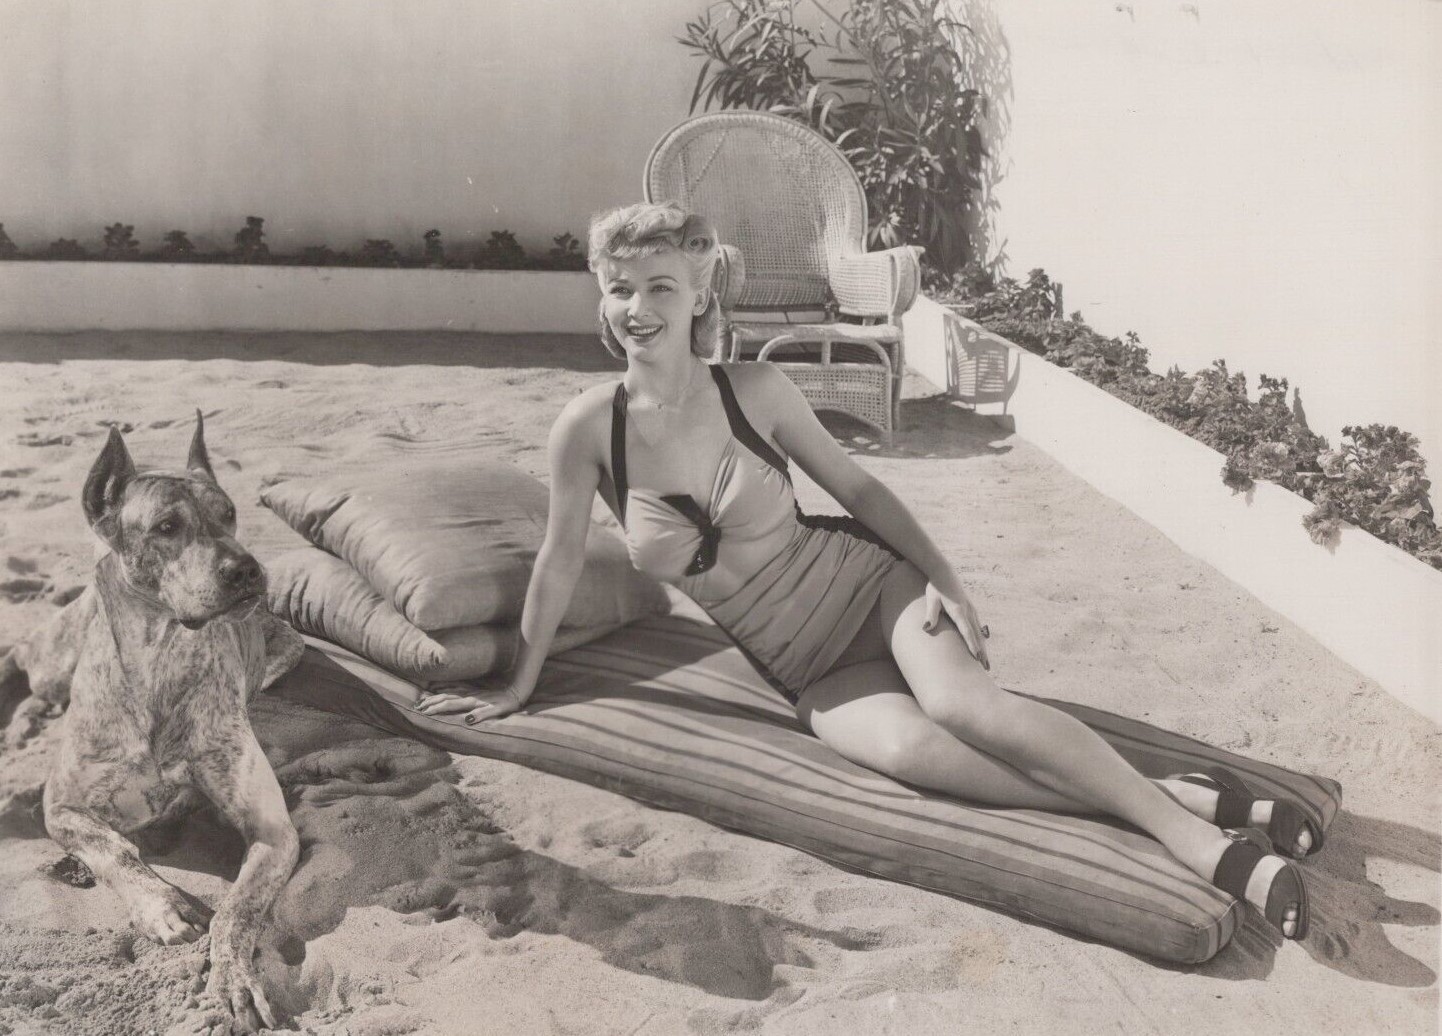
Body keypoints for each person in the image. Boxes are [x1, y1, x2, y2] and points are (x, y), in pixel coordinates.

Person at [418, 201, 1314, 939]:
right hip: (805, 667)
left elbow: (859, 491)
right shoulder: (588, 428)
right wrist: (518, 685)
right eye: (621, 289)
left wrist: (945, 579)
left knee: (963, 709)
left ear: (697, 297)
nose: (638, 307)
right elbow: (558, 559)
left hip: (868, 590)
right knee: (911, 754)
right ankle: (1177, 795)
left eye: (661, 286)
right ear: (602, 299)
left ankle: (1202, 846)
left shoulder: (754, 392)